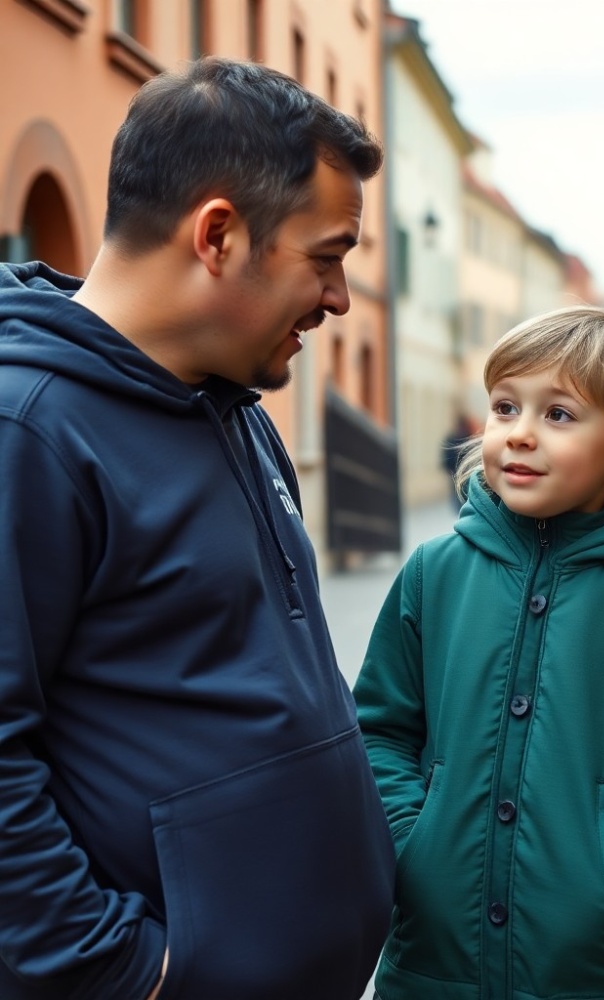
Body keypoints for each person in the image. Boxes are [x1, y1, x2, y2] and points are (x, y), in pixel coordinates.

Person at [0, 58, 394, 1000]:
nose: (339, 300)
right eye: (327, 256)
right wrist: (128, 974)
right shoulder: (29, 431)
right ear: (217, 234)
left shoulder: (236, 407)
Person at [353, 305, 604, 1000]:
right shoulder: (435, 572)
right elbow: (379, 727)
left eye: (558, 415)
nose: (519, 435)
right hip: (437, 956)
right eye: (504, 407)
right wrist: (415, 845)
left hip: (602, 965)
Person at [440, 411, 476, 509]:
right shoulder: (464, 437)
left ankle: (461, 508)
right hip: (457, 471)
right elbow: (446, 454)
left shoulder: (464, 437)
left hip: (462, 471)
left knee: (459, 493)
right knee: (458, 493)